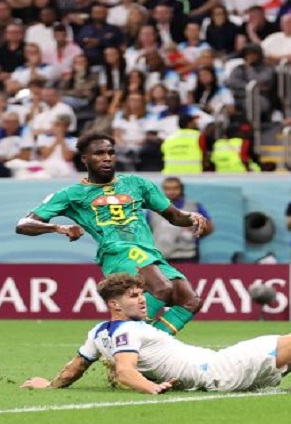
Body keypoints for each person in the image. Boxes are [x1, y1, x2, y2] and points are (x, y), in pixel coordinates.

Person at [21, 274, 291, 394]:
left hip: (220, 375)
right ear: (115, 305)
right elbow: (126, 369)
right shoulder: (125, 329)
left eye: (141, 294)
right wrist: (151, 388)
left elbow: (75, 368)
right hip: (217, 370)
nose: (142, 300)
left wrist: (48, 386)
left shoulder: (98, 332)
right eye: (133, 297)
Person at [15, 132, 208, 337]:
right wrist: (58, 228)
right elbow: (24, 224)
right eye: (99, 153)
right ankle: (124, 342)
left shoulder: (137, 184)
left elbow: (174, 216)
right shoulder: (71, 194)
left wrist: (191, 217)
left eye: (110, 152)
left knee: (190, 301)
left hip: (149, 253)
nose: (107, 157)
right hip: (117, 251)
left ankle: (140, 347)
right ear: (84, 159)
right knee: (161, 288)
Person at [147, 177, 213, 264]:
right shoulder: (153, 209)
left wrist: (195, 234)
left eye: (175, 188)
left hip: (187, 256)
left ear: (181, 189)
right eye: (168, 189)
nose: (171, 192)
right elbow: (145, 230)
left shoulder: (194, 207)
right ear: (163, 190)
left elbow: (209, 227)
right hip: (161, 256)